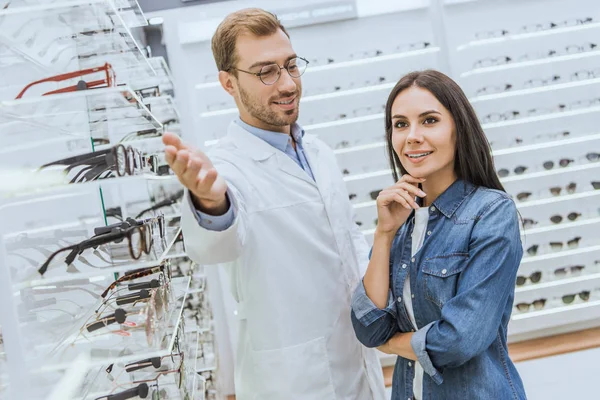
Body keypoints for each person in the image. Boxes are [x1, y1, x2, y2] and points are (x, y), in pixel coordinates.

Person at [162, 8, 386, 400]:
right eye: (266, 71)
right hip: (294, 381)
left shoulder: (320, 153)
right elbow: (214, 245)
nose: (287, 83)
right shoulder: (229, 168)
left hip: (359, 360)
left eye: (291, 65)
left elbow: (348, 244)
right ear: (228, 83)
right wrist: (211, 203)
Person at [350, 70, 527, 400]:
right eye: (400, 124)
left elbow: (460, 339)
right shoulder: (400, 219)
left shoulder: (491, 212)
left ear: (458, 129)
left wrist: (392, 344)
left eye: (429, 121)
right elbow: (369, 326)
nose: (412, 136)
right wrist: (384, 233)